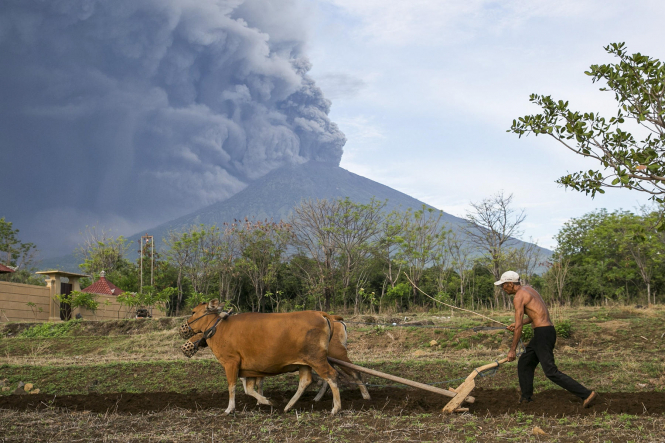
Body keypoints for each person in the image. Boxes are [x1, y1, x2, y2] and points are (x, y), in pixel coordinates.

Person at [496, 270, 597, 407]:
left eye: (503, 285)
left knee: (550, 371)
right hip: (545, 332)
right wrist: (518, 324)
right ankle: (526, 398)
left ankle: (586, 394)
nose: (502, 288)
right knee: (525, 362)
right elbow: (537, 314)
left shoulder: (518, 297)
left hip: (542, 334)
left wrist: (512, 349)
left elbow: (519, 327)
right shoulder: (530, 290)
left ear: (510, 284)